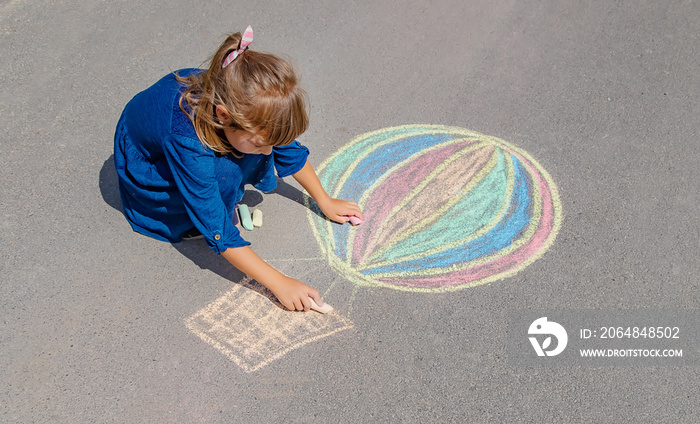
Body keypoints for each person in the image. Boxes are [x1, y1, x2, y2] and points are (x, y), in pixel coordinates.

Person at [114, 26, 363, 312]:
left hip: (199, 139)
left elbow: (284, 147)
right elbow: (216, 225)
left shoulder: (241, 98)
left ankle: (236, 166)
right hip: (150, 166)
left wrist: (324, 199)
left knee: (244, 155)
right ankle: (185, 210)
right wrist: (279, 283)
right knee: (221, 176)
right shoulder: (188, 143)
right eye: (261, 144)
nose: (269, 152)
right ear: (223, 116)